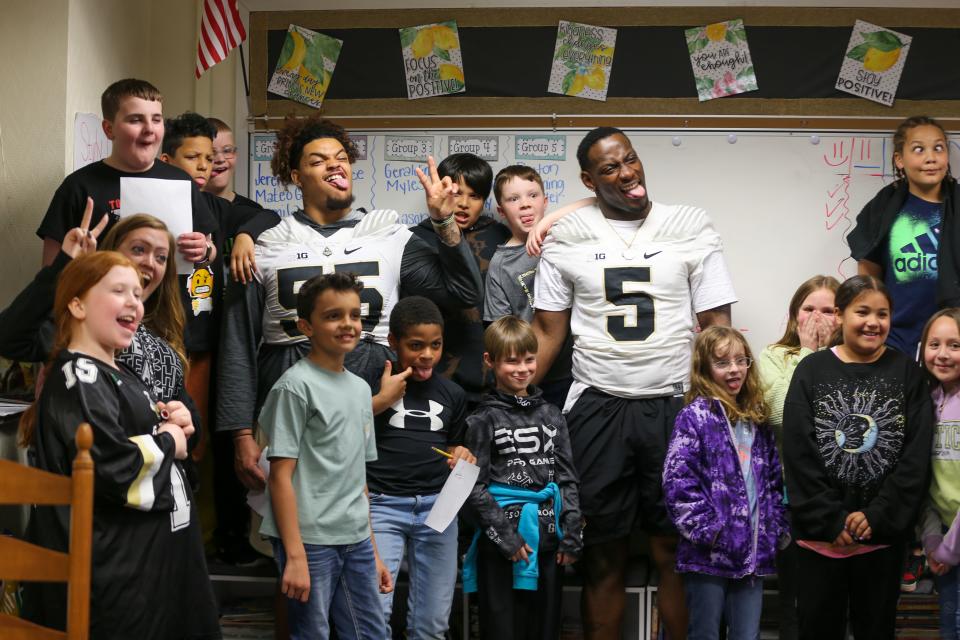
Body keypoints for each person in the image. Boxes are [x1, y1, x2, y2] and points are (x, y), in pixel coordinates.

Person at [531, 126, 737, 640]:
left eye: (630, 160)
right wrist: (507, 400)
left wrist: (728, 409)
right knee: (603, 553)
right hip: (598, 406)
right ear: (588, 179)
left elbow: (717, 327)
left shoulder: (688, 226)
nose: (626, 173)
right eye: (609, 168)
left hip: (673, 403)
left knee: (676, 549)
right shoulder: (568, 238)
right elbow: (546, 335)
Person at [216, 115, 482, 498]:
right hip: (290, 405)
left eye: (341, 157)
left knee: (369, 532)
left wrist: (443, 221)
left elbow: (464, 292)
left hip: (378, 411)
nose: (335, 165)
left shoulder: (388, 236)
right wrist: (240, 434)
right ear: (296, 176)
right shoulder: (267, 245)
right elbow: (237, 343)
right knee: (292, 533)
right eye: (318, 160)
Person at [19, 251, 219, 639]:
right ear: (77, 304)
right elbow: (113, 469)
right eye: (119, 291)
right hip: (120, 590)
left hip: (157, 578)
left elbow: (151, 448)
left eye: (138, 294)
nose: (135, 302)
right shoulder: (79, 373)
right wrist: (169, 440)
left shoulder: (120, 373)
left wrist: (171, 422)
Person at [782, 275, 934, 640]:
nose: (873, 322)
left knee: (876, 630)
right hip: (820, 541)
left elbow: (915, 458)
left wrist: (876, 516)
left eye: (882, 314)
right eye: (862, 311)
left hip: (881, 540)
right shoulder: (811, 370)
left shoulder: (908, 375)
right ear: (839, 315)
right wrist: (833, 519)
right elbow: (799, 452)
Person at [259, 272, 391, 640]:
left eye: (354, 315)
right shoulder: (295, 387)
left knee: (371, 633)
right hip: (310, 540)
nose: (347, 324)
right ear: (306, 325)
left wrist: (374, 552)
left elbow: (357, 479)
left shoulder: (361, 389)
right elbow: (280, 476)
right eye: (333, 316)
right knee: (311, 634)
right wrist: (295, 555)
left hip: (356, 538)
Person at [35, 79, 217, 323]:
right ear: (109, 129)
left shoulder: (181, 181)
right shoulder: (79, 186)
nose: (149, 129)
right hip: (98, 323)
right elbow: (49, 272)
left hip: (165, 323)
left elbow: (210, 249)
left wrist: (204, 250)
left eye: (156, 119)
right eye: (135, 120)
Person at [663, 326, 789, 640]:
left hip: (753, 555)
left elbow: (774, 480)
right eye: (722, 363)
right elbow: (677, 482)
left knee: (747, 635)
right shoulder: (695, 417)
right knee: (704, 634)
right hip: (708, 557)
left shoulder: (756, 418)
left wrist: (775, 530)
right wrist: (713, 533)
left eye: (740, 360)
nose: (734, 369)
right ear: (705, 369)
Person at [463, 316, 581, 640]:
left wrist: (571, 530)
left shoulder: (552, 413)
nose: (522, 369)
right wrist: (506, 537)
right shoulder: (481, 418)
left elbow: (567, 476)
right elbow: (473, 487)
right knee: (502, 629)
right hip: (503, 544)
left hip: (547, 538)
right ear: (490, 361)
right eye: (511, 361)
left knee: (545, 628)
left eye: (528, 359)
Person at [366, 295, 476, 638]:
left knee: (432, 624)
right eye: (415, 345)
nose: (427, 354)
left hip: (437, 508)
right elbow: (343, 431)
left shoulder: (453, 394)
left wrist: (462, 454)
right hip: (382, 506)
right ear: (393, 342)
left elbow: (454, 444)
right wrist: (379, 401)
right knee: (373, 613)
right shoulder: (372, 384)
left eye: (435, 345)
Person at [756, 274, 839, 640]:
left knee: (835, 598)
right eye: (809, 309)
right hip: (791, 498)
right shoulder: (774, 356)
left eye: (828, 310)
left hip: (840, 497)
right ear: (794, 317)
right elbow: (778, 414)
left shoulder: (852, 359)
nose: (817, 319)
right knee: (794, 599)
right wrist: (807, 354)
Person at [848, 115, 960, 357]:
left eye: (938, 148)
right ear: (899, 159)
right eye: (919, 149)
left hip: (952, 342)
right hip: (896, 340)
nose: (931, 158)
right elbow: (868, 276)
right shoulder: (883, 207)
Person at [411, 153, 511, 406]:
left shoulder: (501, 236)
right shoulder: (414, 240)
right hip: (431, 378)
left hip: (490, 379)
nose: (464, 204)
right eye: (456, 193)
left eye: (475, 196)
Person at [483, 165, 575, 408]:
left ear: (545, 201)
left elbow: (597, 201)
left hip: (578, 372)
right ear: (501, 211)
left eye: (532, 195)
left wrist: (550, 222)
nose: (525, 204)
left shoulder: (566, 238)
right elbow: (501, 333)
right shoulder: (501, 264)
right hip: (533, 374)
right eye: (514, 199)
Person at [918, 308, 960, 639]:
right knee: (949, 624)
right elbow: (926, 480)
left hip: (954, 542)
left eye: (955, 345)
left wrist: (949, 548)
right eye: (935, 344)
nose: (943, 354)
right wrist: (933, 539)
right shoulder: (929, 402)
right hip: (947, 537)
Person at [205, 116, 263, 209]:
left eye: (227, 151)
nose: (220, 159)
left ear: (235, 154)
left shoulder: (253, 211)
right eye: (211, 152)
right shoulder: (185, 209)